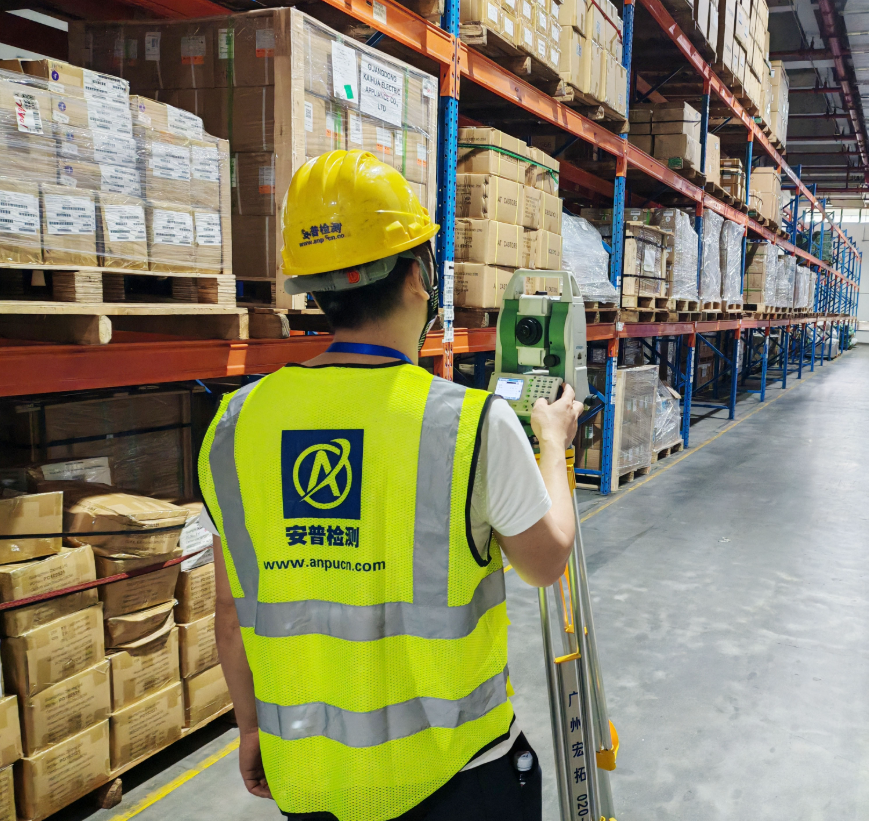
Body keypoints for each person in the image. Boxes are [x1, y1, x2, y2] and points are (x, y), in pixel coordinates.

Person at [198, 149, 583, 821]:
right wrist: (553, 444)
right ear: (418, 275)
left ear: (317, 289)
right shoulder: (470, 423)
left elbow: (231, 613)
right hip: (456, 776)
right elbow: (546, 561)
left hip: (312, 776)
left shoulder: (235, 425)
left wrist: (251, 727)